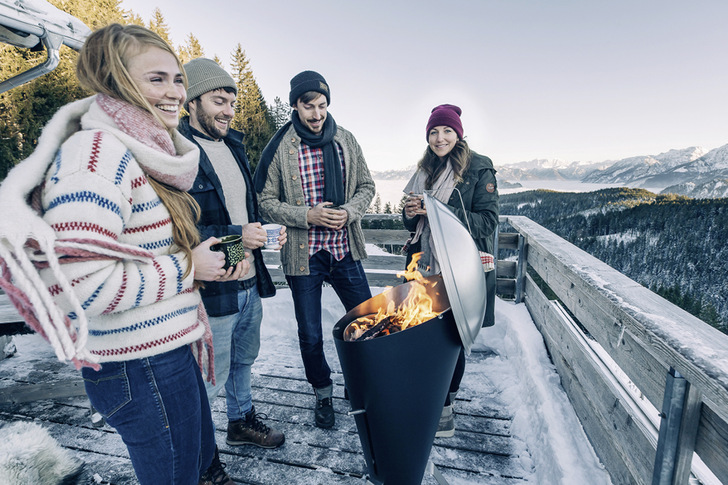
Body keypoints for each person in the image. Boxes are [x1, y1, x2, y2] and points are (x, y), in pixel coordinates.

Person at [0, 24, 240, 485]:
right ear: (115, 79)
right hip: (140, 365)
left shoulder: (139, 151)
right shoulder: (95, 156)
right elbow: (77, 285)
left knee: (191, 470)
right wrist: (189, 266)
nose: (173, 92)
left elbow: (130, 250)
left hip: (163, 351)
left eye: (177, 79)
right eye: (156, 79)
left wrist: (199, 261)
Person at [254, 70, 375, 429]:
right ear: (296, 105)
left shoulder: (346, 141)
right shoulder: (280, 148)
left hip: (344, 249)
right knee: (309, 332)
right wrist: (306, 215)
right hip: (303, 255)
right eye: (309, 106)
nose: (317, 113)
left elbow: (366, 186)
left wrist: (350, 212)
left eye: (322, 105)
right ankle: (322, 393)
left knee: (367, 322)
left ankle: (361, 385)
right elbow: (264, 200)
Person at [179, 57, 286, 449]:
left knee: (243, 361)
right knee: (209, 375)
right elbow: (181, 230)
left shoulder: (233, 147)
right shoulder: (179, 153)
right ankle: (202, 457)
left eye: (231, 103)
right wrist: (242, 238)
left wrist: (261, 236)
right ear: (191, 102)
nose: (227, 111)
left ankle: (240, 423)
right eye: (217, 101)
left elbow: (243, 212)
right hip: (212, 288)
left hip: (246, 282)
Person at [402, 103, 499, 438]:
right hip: (424, 265)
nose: (439, 138)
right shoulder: (425, 169)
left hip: (457, 268)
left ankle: (444, 409)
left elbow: (488, 222)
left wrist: (435, 211)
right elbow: (411, 221)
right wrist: (413, 211)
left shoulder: (477, 169)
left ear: (458, 133)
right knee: (423, 335)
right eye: (433, 132)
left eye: (446, 131)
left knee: (451, 339)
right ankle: (432, 397)